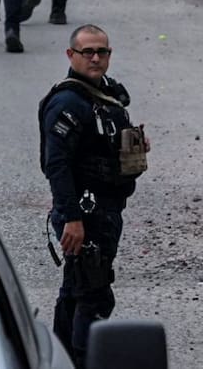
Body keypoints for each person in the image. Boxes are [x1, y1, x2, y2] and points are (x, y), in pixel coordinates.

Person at [38, 24, 147, 367]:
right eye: (88, 52)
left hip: (107, 210)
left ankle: (61, 359)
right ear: (71, 55)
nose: (96, 58)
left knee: (76, 290)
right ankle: (85, 360)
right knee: (94, 295)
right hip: (84, 213)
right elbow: (56, 165)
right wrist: (72, 218)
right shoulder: (68, 103)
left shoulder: (105, 94)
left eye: (102, 51)